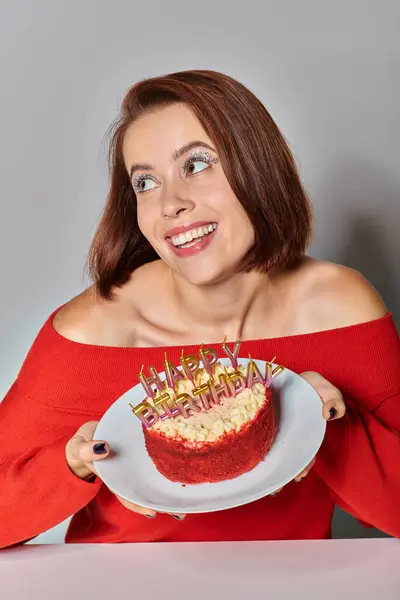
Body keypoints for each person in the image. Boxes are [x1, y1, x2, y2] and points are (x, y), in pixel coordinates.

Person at [0, 69, 399, 549]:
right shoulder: (97, 330)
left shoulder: (341, 310)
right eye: (145, 182)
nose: (170, 203)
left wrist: (331, 425)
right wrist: (71, 464)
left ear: (257, 166)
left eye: (196, 165)